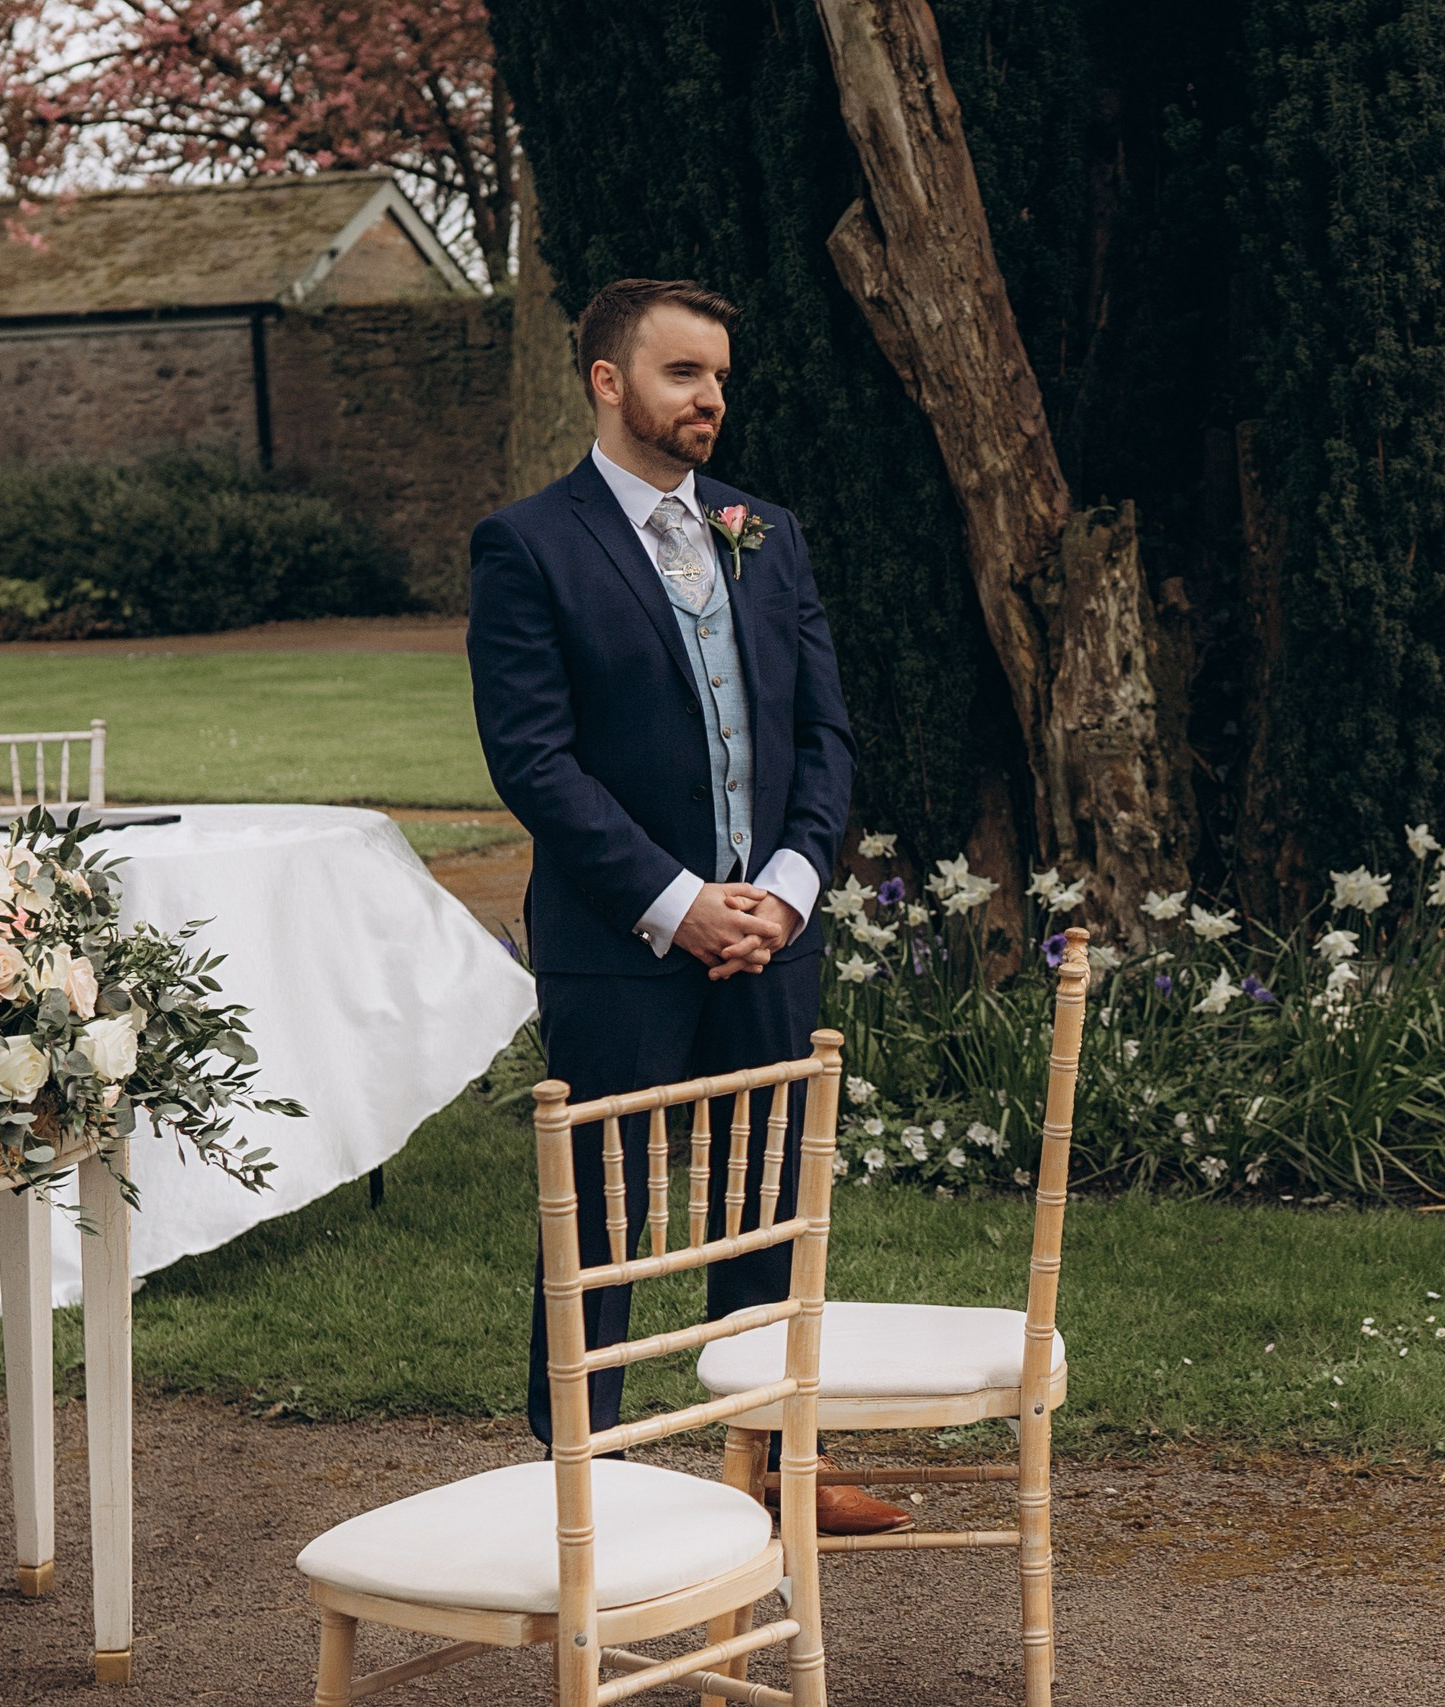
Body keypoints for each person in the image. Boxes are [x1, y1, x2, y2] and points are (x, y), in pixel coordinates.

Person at [467, 277, 910, 1535]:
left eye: (717, 375)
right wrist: (676, 902)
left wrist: (787, 894)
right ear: (607, 381)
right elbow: (534, 762)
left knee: (771, 1204)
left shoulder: (763, 532)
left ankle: (774, 1460)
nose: (710, 396)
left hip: (768, 941)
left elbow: (822, 735)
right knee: (599, 1217)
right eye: (682, 373)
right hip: (620, 944)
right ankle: (582, 1478)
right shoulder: (528, 544)